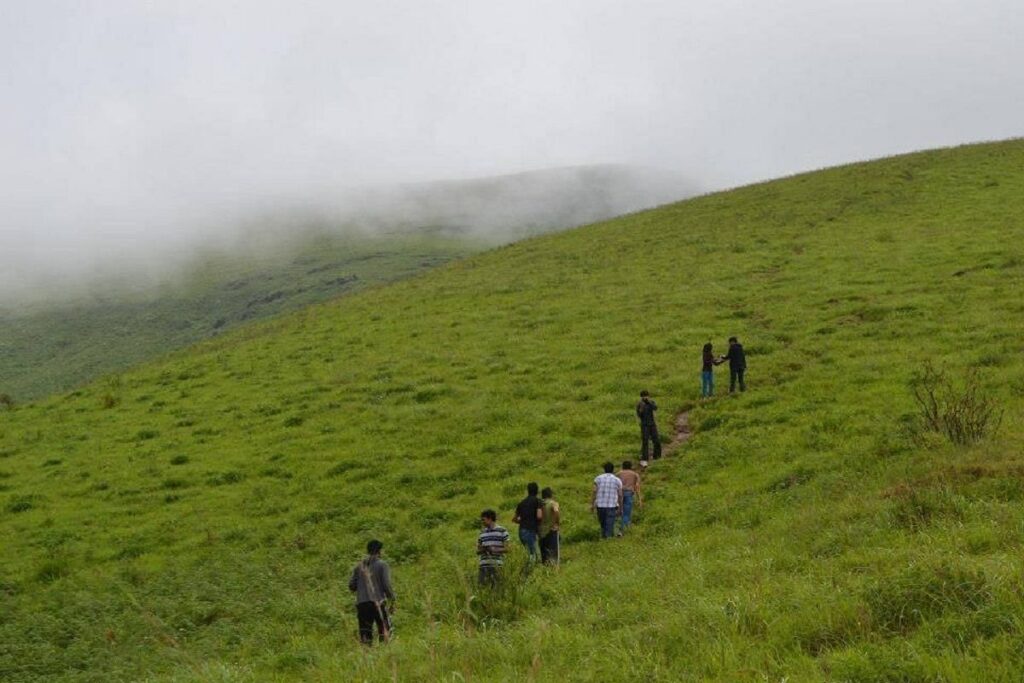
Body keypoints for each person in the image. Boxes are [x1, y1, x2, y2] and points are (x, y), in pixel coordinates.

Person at [348, 539, 395, 644]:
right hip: (378, 603)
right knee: (385, 632)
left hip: (362, 604)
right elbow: (387, 585)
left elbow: (351, 586)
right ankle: (384, 654)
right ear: (379, 551)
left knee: (365, 636)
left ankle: (367, 656)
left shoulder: (359, 566)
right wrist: (392, 599)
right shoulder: (383, 565)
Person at [477, 509, 510, 586]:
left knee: (497, 588)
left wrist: (494, 549)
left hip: (497, 565)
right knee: (482, 588)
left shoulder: (502, 531)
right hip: (483, 565)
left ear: (490, 518)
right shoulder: (482, 532)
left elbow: (508, 548)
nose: (482, 522)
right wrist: (483, 549)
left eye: (483, 520)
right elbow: (478, 550)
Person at [591, 461, 623, 539]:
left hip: (600, 505)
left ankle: (604, 537)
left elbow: (594, 491)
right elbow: (620, 495)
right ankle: (607, 539)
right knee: (609, 523)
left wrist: (592, 504)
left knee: (602, 523)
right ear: (613, 470)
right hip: (611, 506)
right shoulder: (617, 480)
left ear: (604, 469)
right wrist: (620, 507)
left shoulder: (598, 478)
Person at [512, 482, 542, 560]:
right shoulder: (538, 501)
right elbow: (539, 516)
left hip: (521, 531)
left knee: (528, 553)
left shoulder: (521, 503)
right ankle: (531, 571)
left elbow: (514, 519)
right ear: (537, 491)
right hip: (530, 531)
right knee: (533, 555)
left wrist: (522, 521)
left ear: (528, 491)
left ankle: (526, 569)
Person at [636, 390, 661, 467]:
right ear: (641, 397)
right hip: (644, 425)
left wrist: (649, 402)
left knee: (656, 440)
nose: (646, 397)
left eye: (647, 396)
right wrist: (642, 408)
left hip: (652, 424)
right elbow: (639, 414)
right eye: (644, 396)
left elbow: (655, 408)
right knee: (645, 442)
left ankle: (657, 456)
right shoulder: (640, 404)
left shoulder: (651, 402)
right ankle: (645, 458)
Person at [617, 460, 642, 534]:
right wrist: (639, 499)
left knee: (618, 512)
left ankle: (617, 529)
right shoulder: (635, 474)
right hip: (629, 493)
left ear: (623, 466)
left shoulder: (618, 474)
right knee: (626, 513)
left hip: (619, 494)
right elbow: (637, 487)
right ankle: (622, 530)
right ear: (631, 467)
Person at [539, 487, 561, 565]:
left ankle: (545, 568)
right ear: (550, 494)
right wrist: (556, 523)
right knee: (553, 552)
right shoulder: (553, 503)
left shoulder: (540, 504)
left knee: (544, 553)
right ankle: (554, 570)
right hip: (551, 531)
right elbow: (556, 511)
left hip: (541, 531)